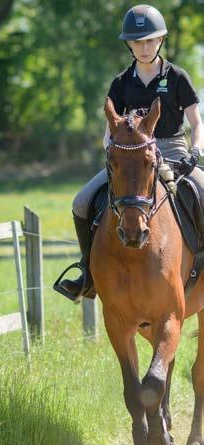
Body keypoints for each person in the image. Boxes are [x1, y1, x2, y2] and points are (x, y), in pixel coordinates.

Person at [54, 4, 204, 302]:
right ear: (129, 45)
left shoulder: (177, 77)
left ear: (161, 40)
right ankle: (87, 273)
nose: (144, 47)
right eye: (138, 42)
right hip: (132, 156)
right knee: (81, 201)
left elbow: (196, 122)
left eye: (150, 40)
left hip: (173, 150)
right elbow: (110, 128)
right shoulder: (121, 82)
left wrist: (196, 152)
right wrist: (113, 152)